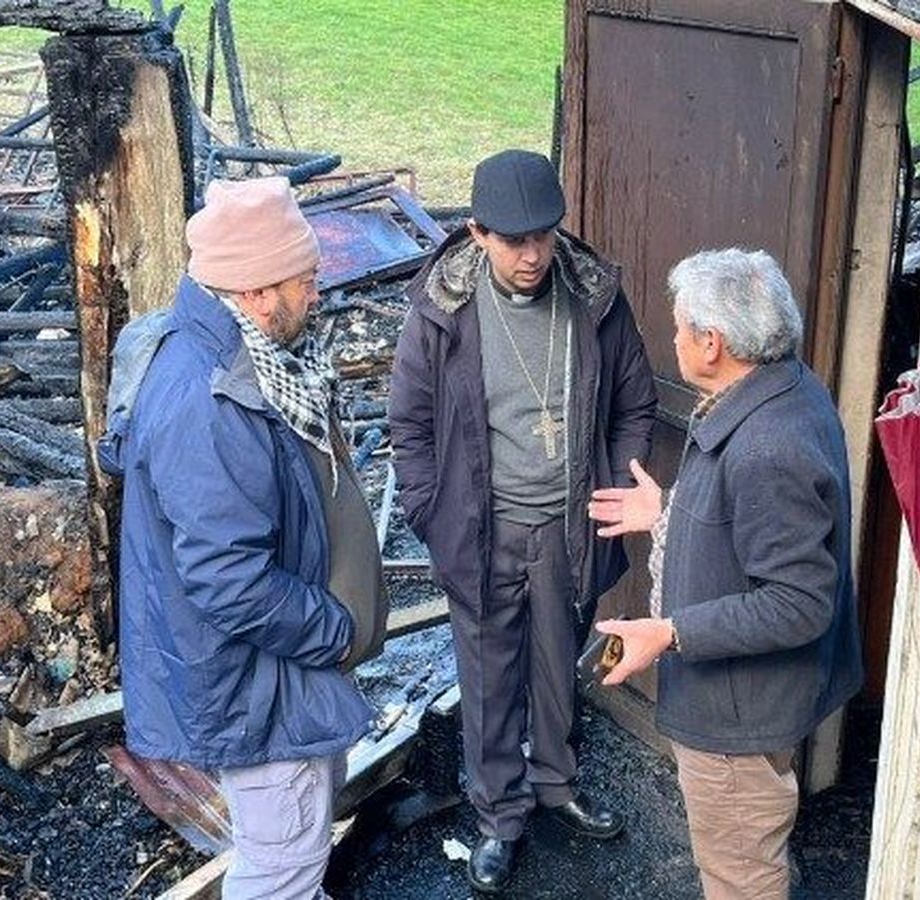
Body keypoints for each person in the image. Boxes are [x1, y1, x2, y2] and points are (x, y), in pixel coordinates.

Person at [388, 149, 657, 893]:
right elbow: (408, 427)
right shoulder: (442, 312)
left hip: (569, 525)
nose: (533, 254)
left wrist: (614, 482)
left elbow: (634, 403)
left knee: (559, 665)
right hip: (482, 530)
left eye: (544, 234)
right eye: (514, 240)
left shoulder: (594, 297)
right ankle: (500, 816)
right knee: (488, 677)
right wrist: (428, 511)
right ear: (477, 233)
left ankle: (557, 785)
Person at [111, 177, 386, 900]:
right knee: (282, 864)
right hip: (260, 683)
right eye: (306, 279)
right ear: (260, 294)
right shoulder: (212, 402)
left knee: (292, 850)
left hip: (277, 664)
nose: (317, 293)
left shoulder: (247, 362)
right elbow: (229, 580)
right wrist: (334, 632)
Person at [586, 248, 862, 900]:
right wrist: (669, 514)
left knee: (741, 876)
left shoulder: (768, 446)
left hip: (736, 719)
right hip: (756, 704)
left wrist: (670, 632)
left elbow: (798, 602)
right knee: (748, 851)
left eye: (681, 326)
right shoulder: (783, 391)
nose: (674, 337)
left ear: (712, 344)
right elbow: (749, 533)